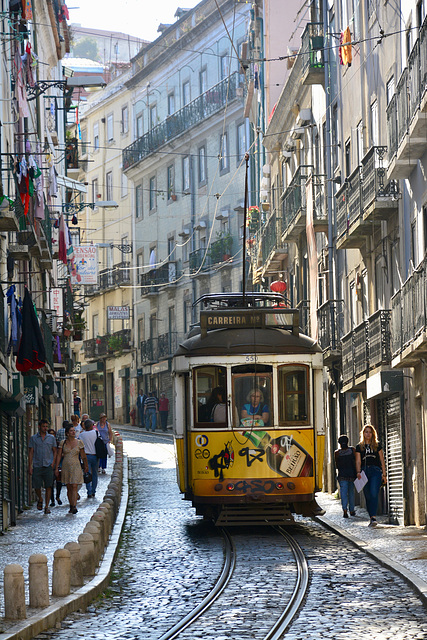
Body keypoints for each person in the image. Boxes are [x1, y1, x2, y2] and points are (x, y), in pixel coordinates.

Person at [355, 424, 387, 527]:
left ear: (373, 434)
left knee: (374, 493)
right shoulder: (359, 446)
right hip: (364, 472)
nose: (368, 434)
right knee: (368, 496)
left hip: (375, 471)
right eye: (366, 432)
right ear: (363, 434)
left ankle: (373, 517)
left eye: (370, 432)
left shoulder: (377, 445)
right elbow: (358, 461)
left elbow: (382, 460)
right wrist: (358, 472)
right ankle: (371, 517)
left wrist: (384, 474)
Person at [55, 423, 88, 514]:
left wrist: (86, 466)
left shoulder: (79, 442)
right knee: (69, 487)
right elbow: (58, 456)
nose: (73, 432)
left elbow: (83, 455)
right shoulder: (63, 443)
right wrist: (57, 468)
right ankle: (71, 504)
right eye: (71, 431)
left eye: (74, 430)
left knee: (74, 486)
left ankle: (74, 506)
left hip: (76, 466)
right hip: (66, 466)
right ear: (67, 433)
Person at [28, 420, 57, 515]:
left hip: (48, 465)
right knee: (36, 486)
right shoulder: (34, 438)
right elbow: (31, 452)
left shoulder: (51, 438)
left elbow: (54, 451)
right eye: (43, 426)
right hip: (37, 465)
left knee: (49, 486)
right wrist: (30, 466)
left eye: (46, 426)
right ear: (39, 427)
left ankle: (46, 506)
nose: (45, 428)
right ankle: (40, 498)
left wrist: (53, 463)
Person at [334, 435, 357, 518]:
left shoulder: (337, 453)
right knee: (351, 492)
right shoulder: (352, 450)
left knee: (343, 494)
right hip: (351, 475)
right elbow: (356, 461)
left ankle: (344, 510)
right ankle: (351, 510)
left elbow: (337, 465)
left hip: (342, 475)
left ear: (339, 443)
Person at [79, 419, 98, 498]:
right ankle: (93, 491)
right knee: (95, 474)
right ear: (91, 426)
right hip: (95, 455)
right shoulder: (96, 433)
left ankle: (89, 491)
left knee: (87, 473)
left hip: (86, 456)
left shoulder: (81, 435)